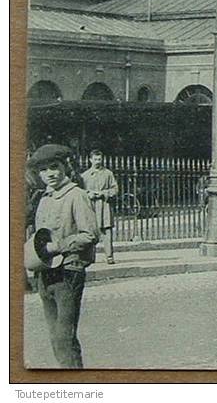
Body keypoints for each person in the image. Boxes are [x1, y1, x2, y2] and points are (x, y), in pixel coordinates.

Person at [28, 144, 100, 369]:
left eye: (54, 167)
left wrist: (56, 246)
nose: (50, 174)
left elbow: (90, 234)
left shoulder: (76, 195)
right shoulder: (43, 198)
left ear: (65, 168)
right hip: (44, 273)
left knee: (64, 337)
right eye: (44, 170)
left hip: (68, 272)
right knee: (55, 338)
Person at [80, 149, 119, 265]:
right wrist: (88, 194)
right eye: (95, 159)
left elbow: (115, 189)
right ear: (90, 160)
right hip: (91, 206)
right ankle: (90, 256)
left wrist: (104, 193)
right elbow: (80, 192)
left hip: (104, 206)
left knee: (107, 231)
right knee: (91, 231)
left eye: (99, 159)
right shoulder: (85, 176)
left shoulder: (108, 174)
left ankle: (109, 256)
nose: (97, 161)